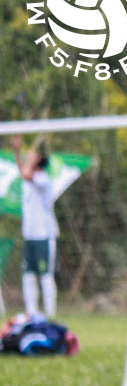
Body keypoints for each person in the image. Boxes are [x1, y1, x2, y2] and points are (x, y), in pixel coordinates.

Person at [12, 136, 59, 318]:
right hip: (29, 235)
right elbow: (24, 173)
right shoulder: (29, 178)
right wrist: (17, 152)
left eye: (32, 156)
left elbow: (26, 174)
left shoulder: (43, 179)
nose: (28, 157)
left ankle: (50, 312)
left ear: (38, 159)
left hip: (44, 235)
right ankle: (31, 312)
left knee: (45, 274)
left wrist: (26, 159)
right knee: (28, 274)